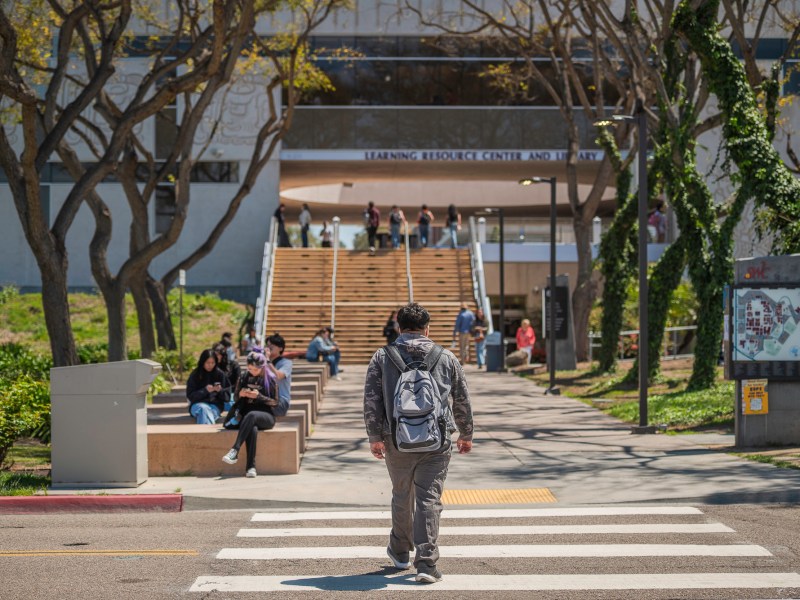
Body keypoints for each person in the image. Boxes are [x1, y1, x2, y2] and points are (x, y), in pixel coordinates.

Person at [363, 302, 473, 584]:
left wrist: (375, 436)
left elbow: (372, 399)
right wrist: (466, 432)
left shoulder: (382, 356)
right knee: (429, 498)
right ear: (427, 328)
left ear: (399, 327)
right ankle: (426, 562)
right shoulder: (445, 357)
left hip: (395, 439)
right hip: (437, 440)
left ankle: (400, 552)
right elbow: (461, 397)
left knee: (402, 493)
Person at [222, 351, 284, 478]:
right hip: (247, 416)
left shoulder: (271, 379)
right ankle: (251, 467)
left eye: (255, 370)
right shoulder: (244, 377)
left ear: (262, 368)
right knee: (252, 428)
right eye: (249, 368)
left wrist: (259, 396)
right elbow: (235, 396)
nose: (251, 372)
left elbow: (276, 402)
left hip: (266, 416)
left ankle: (235, 449)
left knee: (252, 416)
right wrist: (241, 394)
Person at [185, 349, 231, 424]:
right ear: (202, 362)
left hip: (215, 406)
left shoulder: (220, 374)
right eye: (208, 363)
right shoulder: (195, 374)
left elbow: (227, 397)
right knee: (204, 409)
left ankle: (203, 434)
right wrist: (205, 391)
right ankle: (208, 434)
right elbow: (190, 396)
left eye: (213, 363)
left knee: (208, 412)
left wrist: (220, 391)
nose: (210, 365)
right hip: (197, 405)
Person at [264, 332, 292, 416]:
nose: (268, 347)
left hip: (281, 401)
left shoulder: (286, 363)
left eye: (272, 345)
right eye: (267, 345)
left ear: (280, 348)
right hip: (265, 398)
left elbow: (278, 376)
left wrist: (268, 361)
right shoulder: (263, 361)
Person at [213, 342, 240, 411]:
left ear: (222, 355)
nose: (216, 357)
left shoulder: (234, 365)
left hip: (231, 394)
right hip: (215, 395)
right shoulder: (211, 367)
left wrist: (224, 391)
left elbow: (238, 383)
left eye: (217, 355)